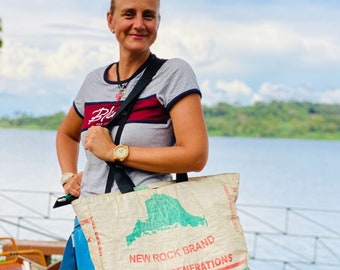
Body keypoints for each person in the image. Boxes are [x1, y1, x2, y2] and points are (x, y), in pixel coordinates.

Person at [56, 0, 208, 268]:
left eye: (148, 15)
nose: (139, 24)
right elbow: (67, 134)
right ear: (110, 21)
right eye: (129, 14)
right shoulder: (94, 81)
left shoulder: (173, 73)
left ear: (158, 22)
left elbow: (195, 156)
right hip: (88, 224)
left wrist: (115, 152)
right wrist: (69, 177)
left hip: (142, 228)